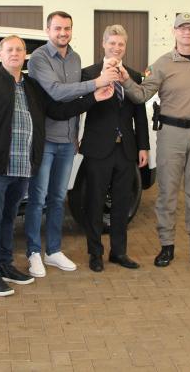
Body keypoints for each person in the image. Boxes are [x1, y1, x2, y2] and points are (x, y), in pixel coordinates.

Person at [0, 35, 113, 297]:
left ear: (25, 55)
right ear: (0, 53)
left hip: (22, 168)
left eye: (19, 49)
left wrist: (93, 98)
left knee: (8, 219)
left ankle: (5, 264)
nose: (14, 53)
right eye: (9, 49)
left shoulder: (31, 86)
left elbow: (58, 111)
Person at [119, 12, 190, 269]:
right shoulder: (163, 64)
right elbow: (142, 94)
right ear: (174, 32)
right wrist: (125, 80)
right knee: (167, 193)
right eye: (182, 28)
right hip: (171, 134)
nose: (186, 33)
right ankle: (166, 246)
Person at [25, 11, 119, 277]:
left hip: (67, 141)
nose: (62, 33)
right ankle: (33, 252)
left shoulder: (75, 58)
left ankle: (53, 250)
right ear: (47, 30)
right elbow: (55, 91)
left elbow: (76, 104)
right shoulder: (39, 59)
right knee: (38, 198)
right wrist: (96, 83)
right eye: (57, 28)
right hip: (46, 140)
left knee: (57, 197)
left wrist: (76, 132)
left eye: (67, 28)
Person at [79, 24, 150, 272]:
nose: (116, 48)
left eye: (120, 44)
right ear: (103, 44)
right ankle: (95, 253)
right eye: (112, 43)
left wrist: (143, 146)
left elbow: (139, 113)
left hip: (126, 150)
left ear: (125, 46)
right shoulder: (88, 73)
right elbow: (80, 107)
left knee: (122, 203)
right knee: (95, 202)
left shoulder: (132, 75)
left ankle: (119, 252)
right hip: (98, 149)